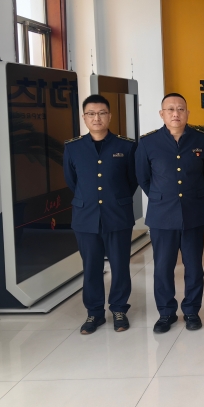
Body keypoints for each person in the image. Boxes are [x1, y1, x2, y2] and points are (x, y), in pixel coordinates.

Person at [136, 93, 204, 333]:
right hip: (162, 215)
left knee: (194, 266)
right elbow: (144, 178)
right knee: (163, 267)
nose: (175, 113)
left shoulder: (203, 141)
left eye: (180, 109)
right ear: (161, 114)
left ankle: (191, 310)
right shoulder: (148, 143)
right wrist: (163, 197)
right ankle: (166, 313)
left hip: (194, 212)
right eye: (170, 109)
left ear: (187, 113)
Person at [64, 94, 138, 335]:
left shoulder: (126, 146)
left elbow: (132, 180)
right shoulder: (73, 147)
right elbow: (72, 181)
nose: (97, 118)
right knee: (91, 267)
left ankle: (119, 309)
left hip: (117, 215)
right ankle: (94, 312)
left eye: (102, 113)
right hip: (85, 217)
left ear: (110, 116)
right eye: (91, 114)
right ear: (84, 117)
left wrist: (114, 199)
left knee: (120, 265)